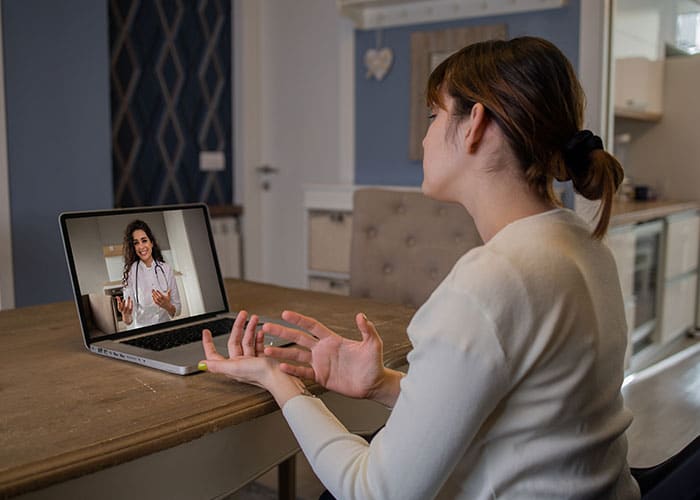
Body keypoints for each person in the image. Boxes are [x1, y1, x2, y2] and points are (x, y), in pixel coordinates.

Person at [198, 36, 640, 499]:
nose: (426, 136)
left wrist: (277, 380)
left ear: (476, 125)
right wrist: (383, 383)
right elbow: (523, 413)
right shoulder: (583, 245)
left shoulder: (493, 280)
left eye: (434, 116)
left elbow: (374, 491)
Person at [116, 219, 181, 328]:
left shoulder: (166, 269)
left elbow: (177, 310)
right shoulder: (130, 273)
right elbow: (128, 321)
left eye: (144, 240)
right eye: (136, 243)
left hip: (166, 327)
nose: (141, 247)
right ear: (133, 247)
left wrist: (167, 306)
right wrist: (125, 314)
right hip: (143, 330)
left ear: (152, 242)